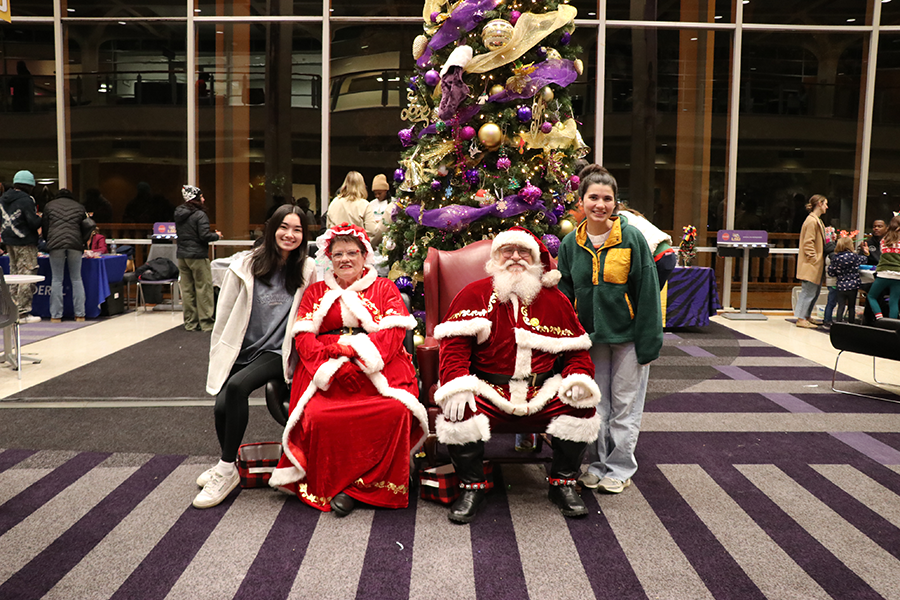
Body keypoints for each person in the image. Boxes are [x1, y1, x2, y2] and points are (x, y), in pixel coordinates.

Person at [434, 226, 602, 523]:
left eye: (523, 251)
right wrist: (457, 383)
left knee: (581, 404)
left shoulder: (555, 300)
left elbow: (577, 352)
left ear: (535, 258)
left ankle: (562, 484)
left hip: (543, 389)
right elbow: (453, 350)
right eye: (507, 251)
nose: (515, 257)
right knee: (459, 408)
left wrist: (577, 377)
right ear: (495, 258)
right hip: (488, 388)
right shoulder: (473, 295)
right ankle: (471, 487)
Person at [269, 223, 427, 517]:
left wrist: (357, 357)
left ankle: (365, 486)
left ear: (364, 255)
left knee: (393, 411)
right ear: (329, 257)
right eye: (337, 253)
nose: (345, 259)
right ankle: (342, 486)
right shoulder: (316, 291)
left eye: (352, 252)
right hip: (327, 372)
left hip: (378, 368)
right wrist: (331, 367)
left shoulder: (385, 287)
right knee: (317, 416)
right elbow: (303, 339)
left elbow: (393, 336)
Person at [195, 205, 316, 509]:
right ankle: (228, 462)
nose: (290, 235)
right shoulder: (245, 264)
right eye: (284, 227)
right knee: (222, 404)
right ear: (271, 228)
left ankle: (224, 469)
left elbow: (312, 312)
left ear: (304, 235)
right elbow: (224, 315)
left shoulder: (306, 269)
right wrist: (221, 349)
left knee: (238, 388)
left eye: (297, 230)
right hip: (243, 347)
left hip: (278, 351)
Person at [557, 165, 663, 495]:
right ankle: (598, 465)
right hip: (592, 339)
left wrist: (650, 340)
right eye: (593, 198)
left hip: (629, 337)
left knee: (625, 405)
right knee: (597, 405)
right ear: (581, 201)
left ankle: (619, 468)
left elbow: (647, 291)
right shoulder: (570, 244)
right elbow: (563, 297)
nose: (600, 204)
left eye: (607, 198)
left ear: (615, 203)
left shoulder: (631, 238)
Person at [174, 185, 221, 332]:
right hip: (198, 256)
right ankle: (206, 323)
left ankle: (190, 323)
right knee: (203, 288)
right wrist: (217, 236)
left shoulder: (179, 213)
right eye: (201, 196)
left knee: (187, 290)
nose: (204, 199)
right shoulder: (200, 215)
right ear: (195, 198)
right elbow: (204, 236)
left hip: (182, 255)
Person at [0, 170, 43, 323]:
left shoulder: (3, 199)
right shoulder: (26, 200)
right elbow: (32, 222)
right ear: (30, 186)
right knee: (27, 275)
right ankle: (23, 313)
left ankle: (11, 311)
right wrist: (40, 219)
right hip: (25, 242)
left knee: (14, 276)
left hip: (8, 241)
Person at [41, 189, 87, 323]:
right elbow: (85, 226)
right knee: (77, 279)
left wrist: (47, 240)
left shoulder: (49, 206)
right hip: (75, 244)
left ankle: (56, 316)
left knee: (56, 279)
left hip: (55, 245)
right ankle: (80, 315)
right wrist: (82, 241)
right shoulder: (79, 207)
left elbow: (45, 226)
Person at [793, 194, 829, 329]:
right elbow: (808, 243)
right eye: (825, 203)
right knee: (808, 291)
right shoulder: (812, 221)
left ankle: (806, 315)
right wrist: (814, 259)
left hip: (816, 263)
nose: (827, 206)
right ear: (819, 203)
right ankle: (801, 318)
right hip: (812, 263)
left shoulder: (816, 220)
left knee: (814, 292)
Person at [826, 236, 868, 324]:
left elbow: (831, 272)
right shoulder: (854, 256)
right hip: (853, 286)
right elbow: (864, 260)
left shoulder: (836, 258)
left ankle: (838, 323)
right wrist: (864, 253)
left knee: (841, 306)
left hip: (841, 286)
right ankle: (851, 324)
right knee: (851, 306)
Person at [867, 215, 900, 320]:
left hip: (883, 274)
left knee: (871, 296)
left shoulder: (884, 240)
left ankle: (879, 318)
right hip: (898, 275)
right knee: (894, 301)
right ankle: (892, 325)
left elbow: (882, 253)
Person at [364, 174, 393, 247]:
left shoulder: (392, 204)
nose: (377, 196)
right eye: (375, 193)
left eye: (380, 193)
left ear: (386, 191)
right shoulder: (371, 204)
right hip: (373, 238)